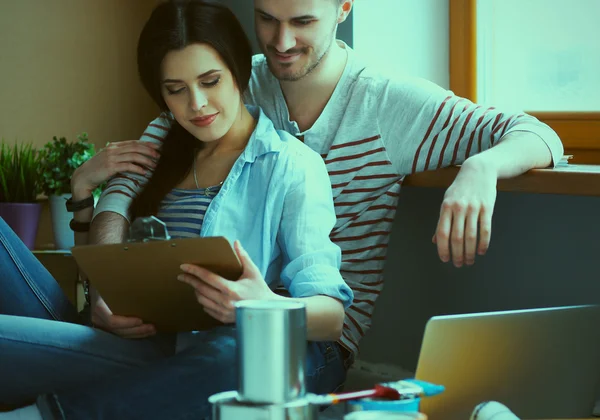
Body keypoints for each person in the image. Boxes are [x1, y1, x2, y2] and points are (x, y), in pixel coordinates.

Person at [96, 0, 564, 365]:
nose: (281, 41)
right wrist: (105, 286)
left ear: (343, 8)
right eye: (266, 18)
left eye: (302, 21)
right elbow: (125, 188)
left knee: (229, 353)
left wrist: (478, 169)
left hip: (317, 338)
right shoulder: (227, 81)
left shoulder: (389, 104)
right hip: (198, 330)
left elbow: (539, 134)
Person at [0, 1, 353, 419]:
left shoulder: (291, 165)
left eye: (210, 81)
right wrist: (103, 296)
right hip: (115, 341)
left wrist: (259, 306)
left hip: (201, 359)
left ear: (238, 71)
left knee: (237, 352)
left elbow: (331, 316)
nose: (197, 104)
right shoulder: (164, 138)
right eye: (176, 90)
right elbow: (113, 207)